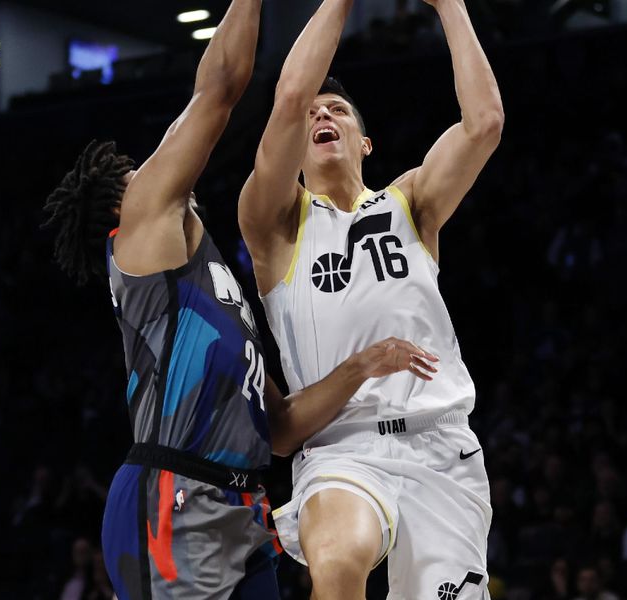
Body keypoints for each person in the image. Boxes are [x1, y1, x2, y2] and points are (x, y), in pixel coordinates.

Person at [42, 1, 435, 598]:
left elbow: (277, 429)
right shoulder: (144, 228)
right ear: (125, 202)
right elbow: (222, 85)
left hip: (242, 505)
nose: (154, 168)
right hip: (173, 494)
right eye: (138, 171)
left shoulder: (217, 288)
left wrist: (361, 366)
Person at [237, 0, 503, 597]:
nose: (320, 114)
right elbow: (288, 98)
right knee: (335, 562)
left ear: (365, 143)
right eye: (312, 115)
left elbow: (484, 123)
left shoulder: (410, 203)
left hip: (443, 449)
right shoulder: (276, 225)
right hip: (343, 449)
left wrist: (449, 6)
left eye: (336, 110)